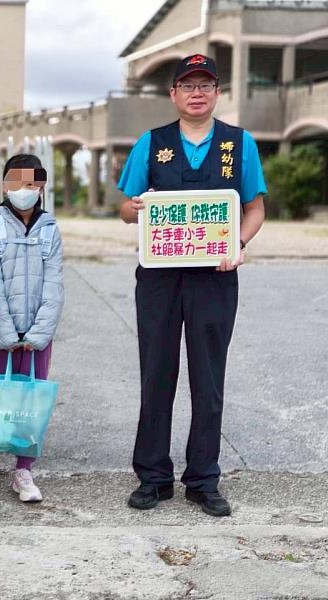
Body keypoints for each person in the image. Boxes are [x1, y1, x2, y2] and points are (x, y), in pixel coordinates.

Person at [118, 54, 266, 517]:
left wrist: (238, 244)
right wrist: (138, 209)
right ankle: (153, 477)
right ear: (174, 94)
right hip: (160, 278)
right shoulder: (152, 142)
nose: (197, 92)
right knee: (156, 372)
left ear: (217, 92)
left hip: (215, 277)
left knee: (208, 377)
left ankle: (204, 479)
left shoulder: (239, 144)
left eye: (205, 84)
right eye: (188, 85)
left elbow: (255, 208)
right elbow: (125, 207)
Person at [0, 154, 64, 503]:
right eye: (17, 182)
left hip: (38, 335)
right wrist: (5, 334)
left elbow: (55, 285)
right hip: (0, 334)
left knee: (31, 400)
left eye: (32, 183)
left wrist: (39, 333)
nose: (24, 190)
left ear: (41, 187)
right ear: (5, 184)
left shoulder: (50, 230)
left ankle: (24, 470)